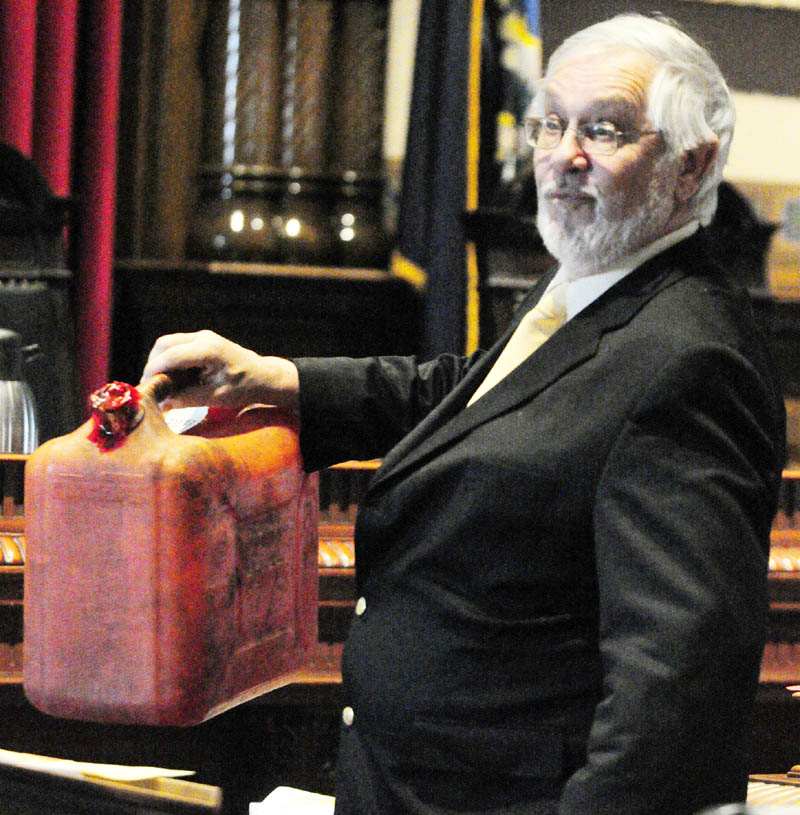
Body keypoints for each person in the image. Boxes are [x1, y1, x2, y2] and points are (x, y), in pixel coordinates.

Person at [143, 13, 786, 815]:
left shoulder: (690, 360)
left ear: (690, 168)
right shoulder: (595, 284)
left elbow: (675, 691)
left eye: (606, 130)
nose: (563, 156)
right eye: (552, 123)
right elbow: (477, 398)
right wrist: (277, 378)